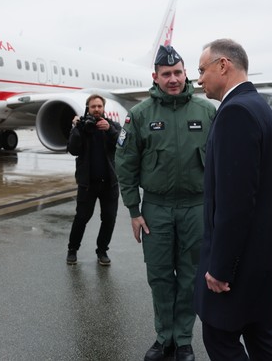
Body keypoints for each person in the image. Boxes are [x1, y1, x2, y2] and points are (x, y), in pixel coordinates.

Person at [115, 45, 216, 361]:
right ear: (155, 77)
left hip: (195, 207)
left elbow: (223, 164)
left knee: (189, 277)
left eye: (178, 72)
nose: (173, 79)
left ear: (186, 74)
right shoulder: (140, 115)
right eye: (166, 74)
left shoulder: (208, 112)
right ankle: (164, 338)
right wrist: (134, 211)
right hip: (156, 208)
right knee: (159, 276)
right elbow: (126, 164)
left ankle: (183, 339)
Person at [193, 39, 272, 360]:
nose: (199, 78)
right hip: (262, 255)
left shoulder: (236, 113)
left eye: (202, 70)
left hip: (239, 263)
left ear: (223, 65)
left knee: (220, 338)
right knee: (260, 336)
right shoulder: (259, 108)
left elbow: (235, 203)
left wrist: (220, 268)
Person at [66, 94, 121, 266]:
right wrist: (76, 128)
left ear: (104, 108)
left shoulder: (113, 126)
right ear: (87, 109)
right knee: (82, 217)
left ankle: (102, 251)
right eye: (93, 107)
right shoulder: (82, 127)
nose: (96, 109)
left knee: (109, 218)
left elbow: (124, 143)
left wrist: (110, 130)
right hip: (88, 184)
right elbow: (73, 150)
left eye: (99, 106)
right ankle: (72, 249)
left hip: (109, 183)